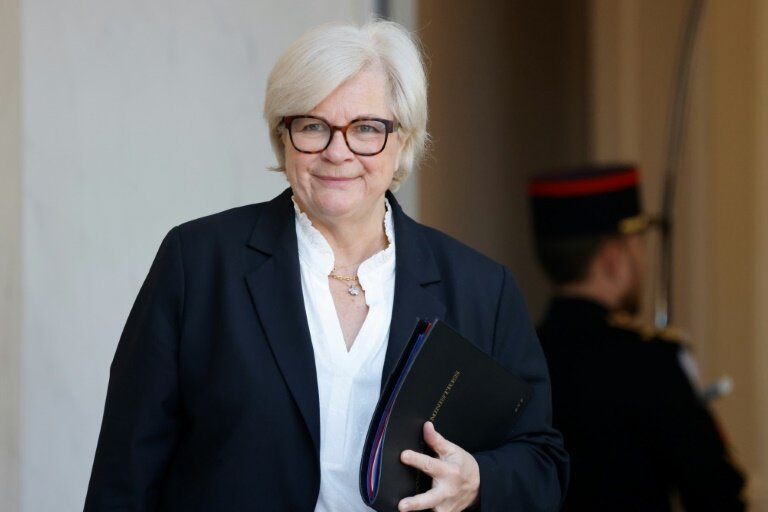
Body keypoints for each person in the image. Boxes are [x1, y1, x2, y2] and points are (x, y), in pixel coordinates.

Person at [84, 21, 568, 512]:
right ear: (283, 135)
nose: (337, 152)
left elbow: (542, 462)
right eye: (313, 126)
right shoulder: (197, 264)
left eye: (366, 128)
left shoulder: (481, 288)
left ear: (403, 139)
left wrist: (478, 481)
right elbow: (125, 474)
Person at [528, 164, 747, 511]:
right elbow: (717, 493)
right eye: (638, 247)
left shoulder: (520, 358)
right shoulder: (650, 360)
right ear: (613, 260)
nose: (643, 261)